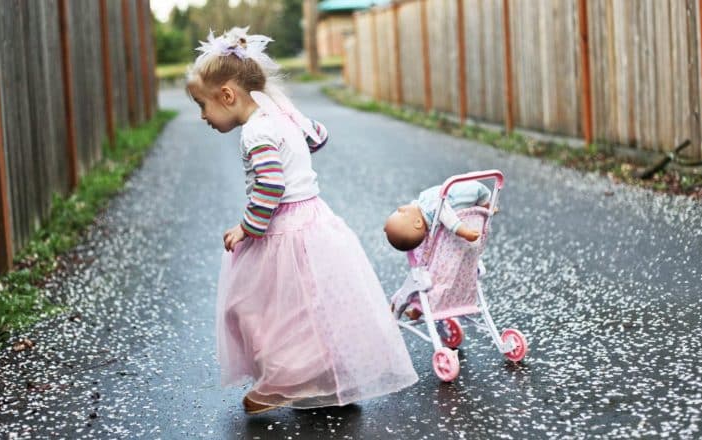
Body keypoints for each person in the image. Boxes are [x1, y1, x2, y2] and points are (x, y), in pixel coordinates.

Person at [186, 27, 417, 415]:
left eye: (202, 105)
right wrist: (290, 115)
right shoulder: (278, 117)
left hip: (284, 230)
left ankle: (286, 380)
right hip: (316, 221)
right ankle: (326, 377)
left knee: (259, 309)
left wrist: (247, 227)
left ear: (227, 95)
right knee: (312, 304)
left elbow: (271, 185)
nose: (203, 116)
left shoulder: (256, 133)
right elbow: (318, 138)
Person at [384, 181, 492, 252]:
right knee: (483, 198)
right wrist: (465, 232)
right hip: (473, 191)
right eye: (402, 213)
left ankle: (487, 206)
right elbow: (451, 221)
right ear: (418, 222)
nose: (401, 208)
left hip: (456, 187)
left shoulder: (421, 207)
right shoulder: (434, 209)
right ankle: (487, 206)